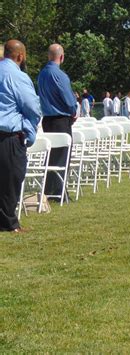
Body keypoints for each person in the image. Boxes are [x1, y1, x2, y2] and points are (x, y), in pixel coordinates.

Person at [0, 40, 42, 232]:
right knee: (11, 179)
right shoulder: (18, 76)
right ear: (20, 56)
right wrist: (29, 129)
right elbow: (32, 107)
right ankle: (9, 224)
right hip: (8, 136)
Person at [38, 43, 78, 201]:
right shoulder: (60, 75)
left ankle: (48, 189)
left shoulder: (41, 74)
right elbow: (68, 98)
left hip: (47, 119)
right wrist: (73, 110)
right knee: (63, 156)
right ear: (61, 57)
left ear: (49, 56)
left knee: (51, 156)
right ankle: (60, 192)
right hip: (61, 119)